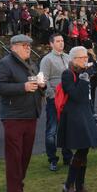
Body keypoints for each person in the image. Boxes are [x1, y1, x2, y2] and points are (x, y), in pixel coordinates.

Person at [0, 34, 46, 192]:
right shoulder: (4, 64)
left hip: (31, 115)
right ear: (14, 47)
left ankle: (19, 191)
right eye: (24, 45)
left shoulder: (31, 64)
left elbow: (35, 85)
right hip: (13, 117)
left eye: (29, 46)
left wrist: (42, 86)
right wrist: (22, 87)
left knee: (24, 157)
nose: (28, 48)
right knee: (14, 159)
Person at [57, 46, 97, 192]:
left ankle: (79, 186)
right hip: (74, 117)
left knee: (84, 151)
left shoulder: (83, 73)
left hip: (85, 114)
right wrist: (83, 80)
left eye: (86, 57)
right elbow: (75, 95)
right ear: (74, 59)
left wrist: (93, 112)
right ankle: (69, 186)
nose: (86, 60)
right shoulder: (67, 74)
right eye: (82, 57)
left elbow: (87, 97)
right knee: (81, 151)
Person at [40, 33, 72, 171]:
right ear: (51, 44)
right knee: (52, 130)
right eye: (58, 41)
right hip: (54, 100)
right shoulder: (47, 60)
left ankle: (67, 156)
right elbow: (43, 79)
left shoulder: (68, 57)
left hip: (69, 99)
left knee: (67, 129)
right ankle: (52, 159)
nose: (61, 43)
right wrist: (52, 95)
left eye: (62, 41)